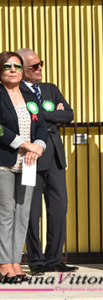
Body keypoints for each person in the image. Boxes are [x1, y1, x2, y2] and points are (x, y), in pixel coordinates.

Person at [16, 48, 77, 276]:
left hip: (55, 159)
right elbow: (25, 122)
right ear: (22, 70)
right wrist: (50, 115)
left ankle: (54, 258)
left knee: (59, 208)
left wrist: (42, 114)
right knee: (32, 213)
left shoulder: (50, 89)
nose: (40, 68)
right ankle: (36, 261)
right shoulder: (16, 91)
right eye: (34, 66)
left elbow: (68, 114)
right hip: (31, 157)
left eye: (40, 63)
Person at [0, 51, 47, 283]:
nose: (12, 70)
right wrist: (24, 144)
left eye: (17, 67)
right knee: (5, 214)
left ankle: (17, 263)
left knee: (23, 214)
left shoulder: (29, 94)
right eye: (7, 66)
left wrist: (38, 147)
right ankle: (4, 264)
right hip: (4, 162)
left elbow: (41, 124)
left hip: (29, 162)